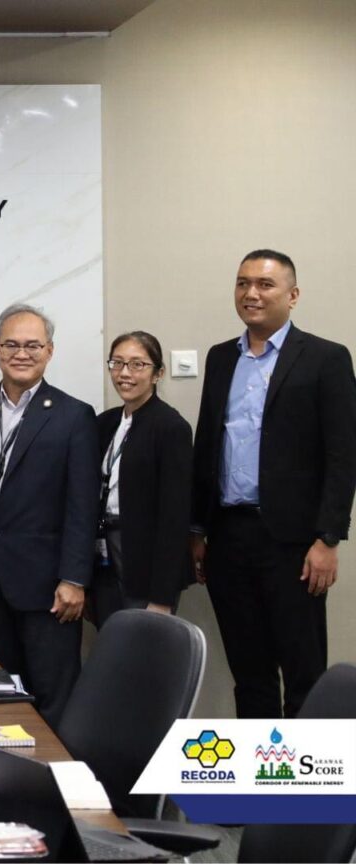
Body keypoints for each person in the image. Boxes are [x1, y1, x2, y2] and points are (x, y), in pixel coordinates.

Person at [192, 249, 356, 719]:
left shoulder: (326, 358)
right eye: (243, 283)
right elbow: (208, 443)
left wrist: (328, 538)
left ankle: (304, 770)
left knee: (304, 673)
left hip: (294, 543)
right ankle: (258, 768)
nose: (252, 293)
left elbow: (343, 454)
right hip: (228, 537)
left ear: (293, 295)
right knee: (250, 673)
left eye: (265, 284)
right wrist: (197, 528)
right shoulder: (221, 358)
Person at [0, 303, 98, 725]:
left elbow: (83, 505)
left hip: (49, 589)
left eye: (32, 345)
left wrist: (74, 578)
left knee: (53, 700)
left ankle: (57, 771)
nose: (21, 353)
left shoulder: (74, 415)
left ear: (50, 351)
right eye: (11, 344)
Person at [90, 331, 193, 628]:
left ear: (158, 373)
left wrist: (162, 596)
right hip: (104, 554)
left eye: (137, 364)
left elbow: (174, 517)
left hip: (145, 560)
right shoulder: (105, 422)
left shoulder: (171, 427)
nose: (125, 373)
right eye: (117, 363)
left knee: (143, 643)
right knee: (110, 639)